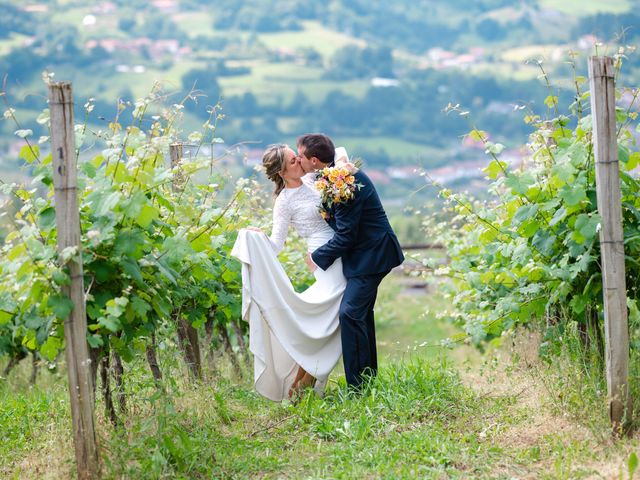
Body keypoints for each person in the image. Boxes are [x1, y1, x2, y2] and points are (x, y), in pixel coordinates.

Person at [230, 144, 346, 401]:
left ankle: (301, 386)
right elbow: (275, 246)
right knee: (331, 315)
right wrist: (257, 239)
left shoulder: (314, 178)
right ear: (282, 171)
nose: (299, 161)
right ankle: (299, 387)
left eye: (298, 156)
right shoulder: (284, 202)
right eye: (293, 160)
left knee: (332, 318)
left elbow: (339, 153)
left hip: (340, 247)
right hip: (323, 257)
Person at [297, 133, 404, 391]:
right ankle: (367, 382)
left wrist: (317, 258)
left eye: (299, 155)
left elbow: (346, 235)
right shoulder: (332, 175)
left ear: (313, 160)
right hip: (363, 255)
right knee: (360, 315)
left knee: (350, 314)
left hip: (374, 254)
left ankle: (358, 389)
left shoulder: (342, 180)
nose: (297, 159)